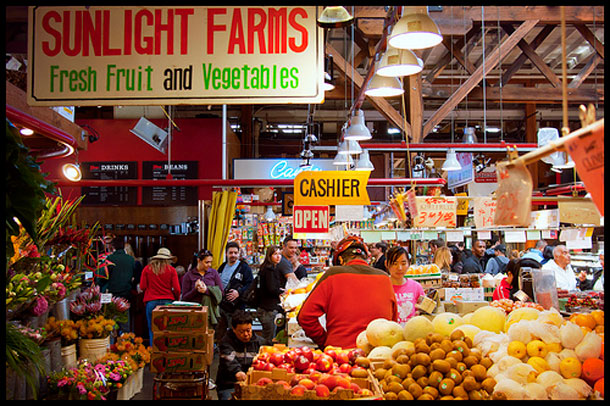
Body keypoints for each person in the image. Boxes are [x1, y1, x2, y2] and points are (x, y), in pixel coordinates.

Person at [297, 235, 397, 349]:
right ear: (366, 258)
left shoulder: (333, 274)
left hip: (340, 355)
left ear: (340, 260)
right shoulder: (384, 278)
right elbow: (393, 322)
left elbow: (305, 317)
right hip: (377, 354)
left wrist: (324, 340)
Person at [216, 310, 265, 400]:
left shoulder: (260, 343)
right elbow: (229, 361)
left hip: (252, 384)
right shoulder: (226, 342)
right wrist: (237, 372)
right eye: (241, 332)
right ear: (234, 329)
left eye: (248, 330)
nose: (246, 334)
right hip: (229, 385)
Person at [139, 248, 181, 346]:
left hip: (151, 302)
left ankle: (154, 353)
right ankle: (166, 352)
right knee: (167, 330)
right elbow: (177, 289)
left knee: (152, 329)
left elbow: (142, 286)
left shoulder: (147, 269)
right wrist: (176, 299)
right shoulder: (171, 270)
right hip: (168, 302)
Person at [217, 241, 254, 342]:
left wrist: (239, 292)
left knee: (237, 333)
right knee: (221, 332)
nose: (233, 255)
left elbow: (251, 284)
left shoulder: (244, 268)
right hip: (222, 306)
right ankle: (222, 351)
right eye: (230, 253)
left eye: (235, 253)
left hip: (237, 308)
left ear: (239, 253)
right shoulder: (222, 266)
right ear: (226, 254)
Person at [182, 249, 224, 332]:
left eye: (210, 262)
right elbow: (184, 298)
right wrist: (195, 289)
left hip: (210, 312)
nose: (209, 265)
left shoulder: (214, 273)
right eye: (206, 262)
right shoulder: (189, 275)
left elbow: (221, 293)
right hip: (194, 314)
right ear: (199, 261)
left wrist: (206, 291)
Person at [386, 246, 425, 326]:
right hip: (389, 333)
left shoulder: (416, 287)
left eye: (403, 263)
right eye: (395, 263)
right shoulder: (382, 287)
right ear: (386, 264)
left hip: (411, 333)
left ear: (409, 264)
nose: (399, 268)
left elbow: (423, 310)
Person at [256, 245, 285, 344]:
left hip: (265, 308)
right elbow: (271, 289)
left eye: (279, 254)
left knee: (267, 335)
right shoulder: (270, 270)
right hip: (268, 309)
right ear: (269, 256)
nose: (278, 257)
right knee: (268, 338)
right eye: (275, 254)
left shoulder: (266, 268)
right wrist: (282, 291)